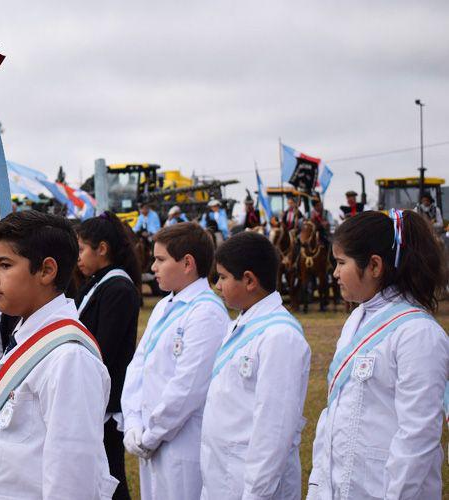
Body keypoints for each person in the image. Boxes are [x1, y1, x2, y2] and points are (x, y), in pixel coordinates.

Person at [0, 210, 117, 499]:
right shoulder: (26, 333)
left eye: (5, 265)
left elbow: (71, 480)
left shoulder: (69, 358)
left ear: (46, 271)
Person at [308, 210, 448, 499]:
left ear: (374, 265)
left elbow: (417, 438)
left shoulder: (418, 333)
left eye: (342, 262)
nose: (334, 273)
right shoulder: (355, 320)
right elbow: (332, 414)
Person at [120, 222, 228, 500]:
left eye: (160, 259)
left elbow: (188, 386)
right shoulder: (164, 305)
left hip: (183, 442)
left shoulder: (207, 312)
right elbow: (138, 366)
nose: (153, 267)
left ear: (187, 263)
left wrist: (153, 433)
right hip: (150, 438)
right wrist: (133, 421)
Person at [200, 232, 309, 499]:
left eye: (223, 277)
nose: (217, 285)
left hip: (253, 482)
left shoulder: (280, 337)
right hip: (224, 472)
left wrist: (256, 493)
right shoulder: (241, 323)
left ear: (249, 280)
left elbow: (274, 428)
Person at [74, 212, 142, 500]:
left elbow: (105, 348)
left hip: (106, 395)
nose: (77, 257)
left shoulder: (117, 287)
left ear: (102, 249)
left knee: (110, 474)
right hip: (93, 391)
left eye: (81, 249)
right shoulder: (97, 281)